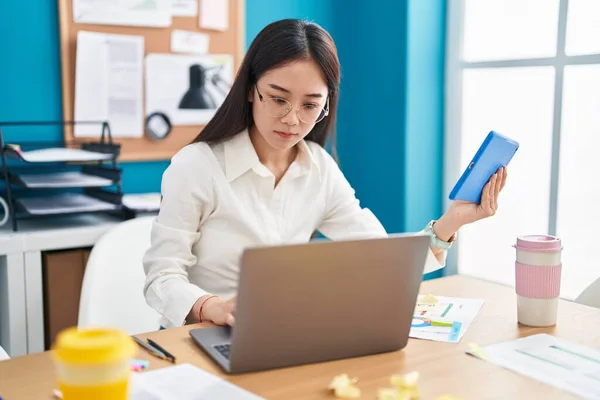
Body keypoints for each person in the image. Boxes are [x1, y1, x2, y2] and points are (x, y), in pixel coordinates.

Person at [142, 19, 507, 329]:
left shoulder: (318, 167)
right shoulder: (197, 166)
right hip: (204, 334)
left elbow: (381, 257)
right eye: (278, 98)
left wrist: (450, 222)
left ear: (326, 104)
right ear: (251, 90)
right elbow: (161, 277)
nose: (292, 119)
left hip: (284, 332)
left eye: (310, 105)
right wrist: (210, 307)